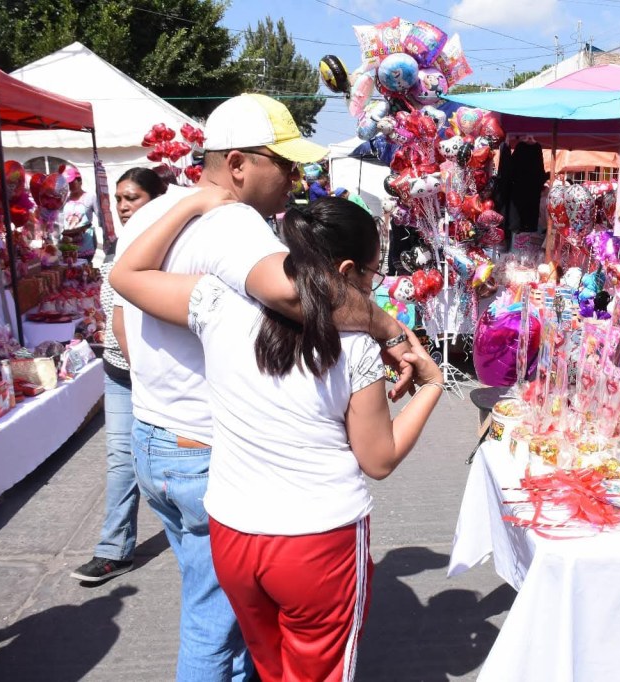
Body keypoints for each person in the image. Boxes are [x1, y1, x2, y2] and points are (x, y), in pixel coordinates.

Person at [110, 93, 416, 682]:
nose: (296, 179)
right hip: (208, 453)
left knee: (238, 627)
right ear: (240, 165)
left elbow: (123, 305)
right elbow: (290, 295)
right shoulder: (233, 222)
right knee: (212, 633)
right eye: (286, 163)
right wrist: (383, 324)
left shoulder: (155, 212)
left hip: (154, 437)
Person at [71, 167, 166, 585]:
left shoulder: (172, 249)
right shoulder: (113, 246)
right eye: (120, 200)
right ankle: (114, 549)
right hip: (119, 370)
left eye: (134, 198)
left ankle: (219, 538)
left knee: (186, 459)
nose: (125, 206)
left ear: (157, 200)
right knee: (120, 460)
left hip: (162, 374)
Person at [60, 164, 101, 254]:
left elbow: (101, 217)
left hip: (86, 241)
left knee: (85, 266)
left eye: (72, 182)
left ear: (80, 181)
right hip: (68, 242)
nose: (70, 185)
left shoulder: (90, 197)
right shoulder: (64, 199)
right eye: (67, 183)